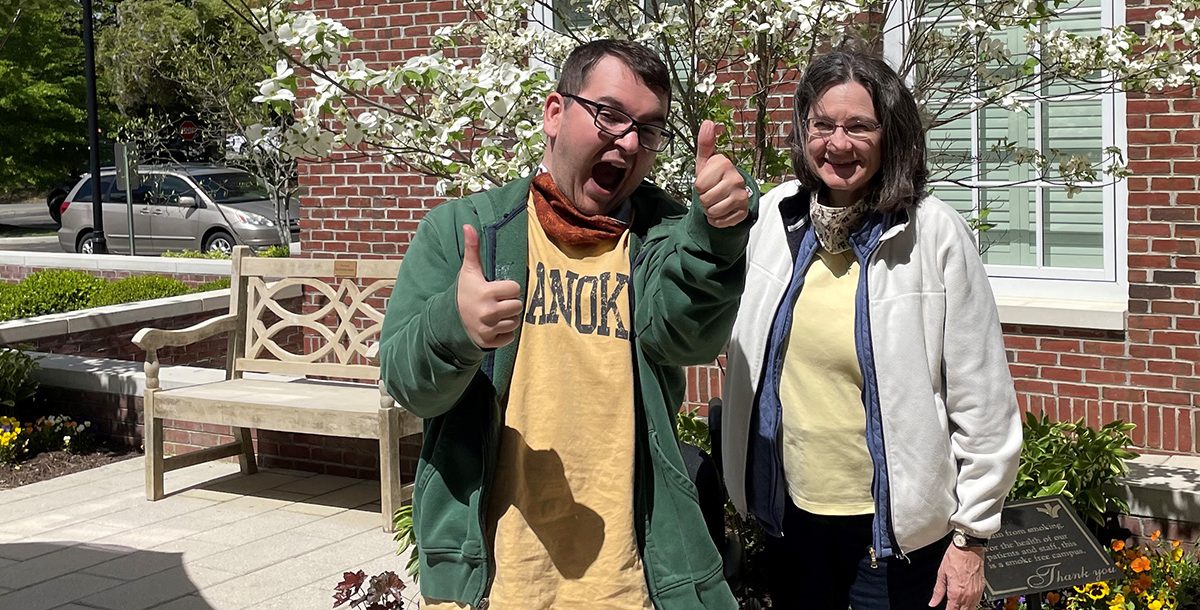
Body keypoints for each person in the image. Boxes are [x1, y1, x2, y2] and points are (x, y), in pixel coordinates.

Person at [378, 39, 755, 610]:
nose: (628, 142)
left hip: (631, 583)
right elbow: (407, 385)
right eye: (609, 115)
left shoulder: (662, 237)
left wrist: (715, 240)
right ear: (555, 113)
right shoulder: (467, 231)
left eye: (648, 131)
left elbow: (688, 336)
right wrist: (454, 327)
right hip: (495, 582)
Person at [720, 49, 1022, 610]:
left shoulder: (932, 234)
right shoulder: (774, 219)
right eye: (823, 125)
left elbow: (982, 398)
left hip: (893, 539)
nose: (838, 144)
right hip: (790, 519)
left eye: (860, 126)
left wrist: (972, 539)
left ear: (891, 137)